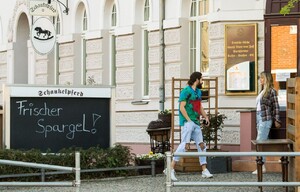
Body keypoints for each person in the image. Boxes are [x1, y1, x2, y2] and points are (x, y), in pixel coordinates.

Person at [164, 71, 213, 181]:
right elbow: (182, 108)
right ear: (196, 80)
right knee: (184, 145)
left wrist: (206, 117)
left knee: (202, 145)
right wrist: (189, 120)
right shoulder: (185, 91)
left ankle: (204, 170)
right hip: (188, 122)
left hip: (195, 122)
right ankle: (170, 168)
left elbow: (199, 106)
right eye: (201, 79)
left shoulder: (198, 92)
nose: (202, 81)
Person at [252, 71, 281, 175]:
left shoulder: (272, 91)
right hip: (259, 117)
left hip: (266, 119)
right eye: (260, 78)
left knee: (259, 142)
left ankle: (261, 165)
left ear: (267, 79)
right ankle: (264, 164)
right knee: (264, 142)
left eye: (262, 78)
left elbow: (276, 106)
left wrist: (277, 120)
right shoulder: (262, 91)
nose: (261, 79)